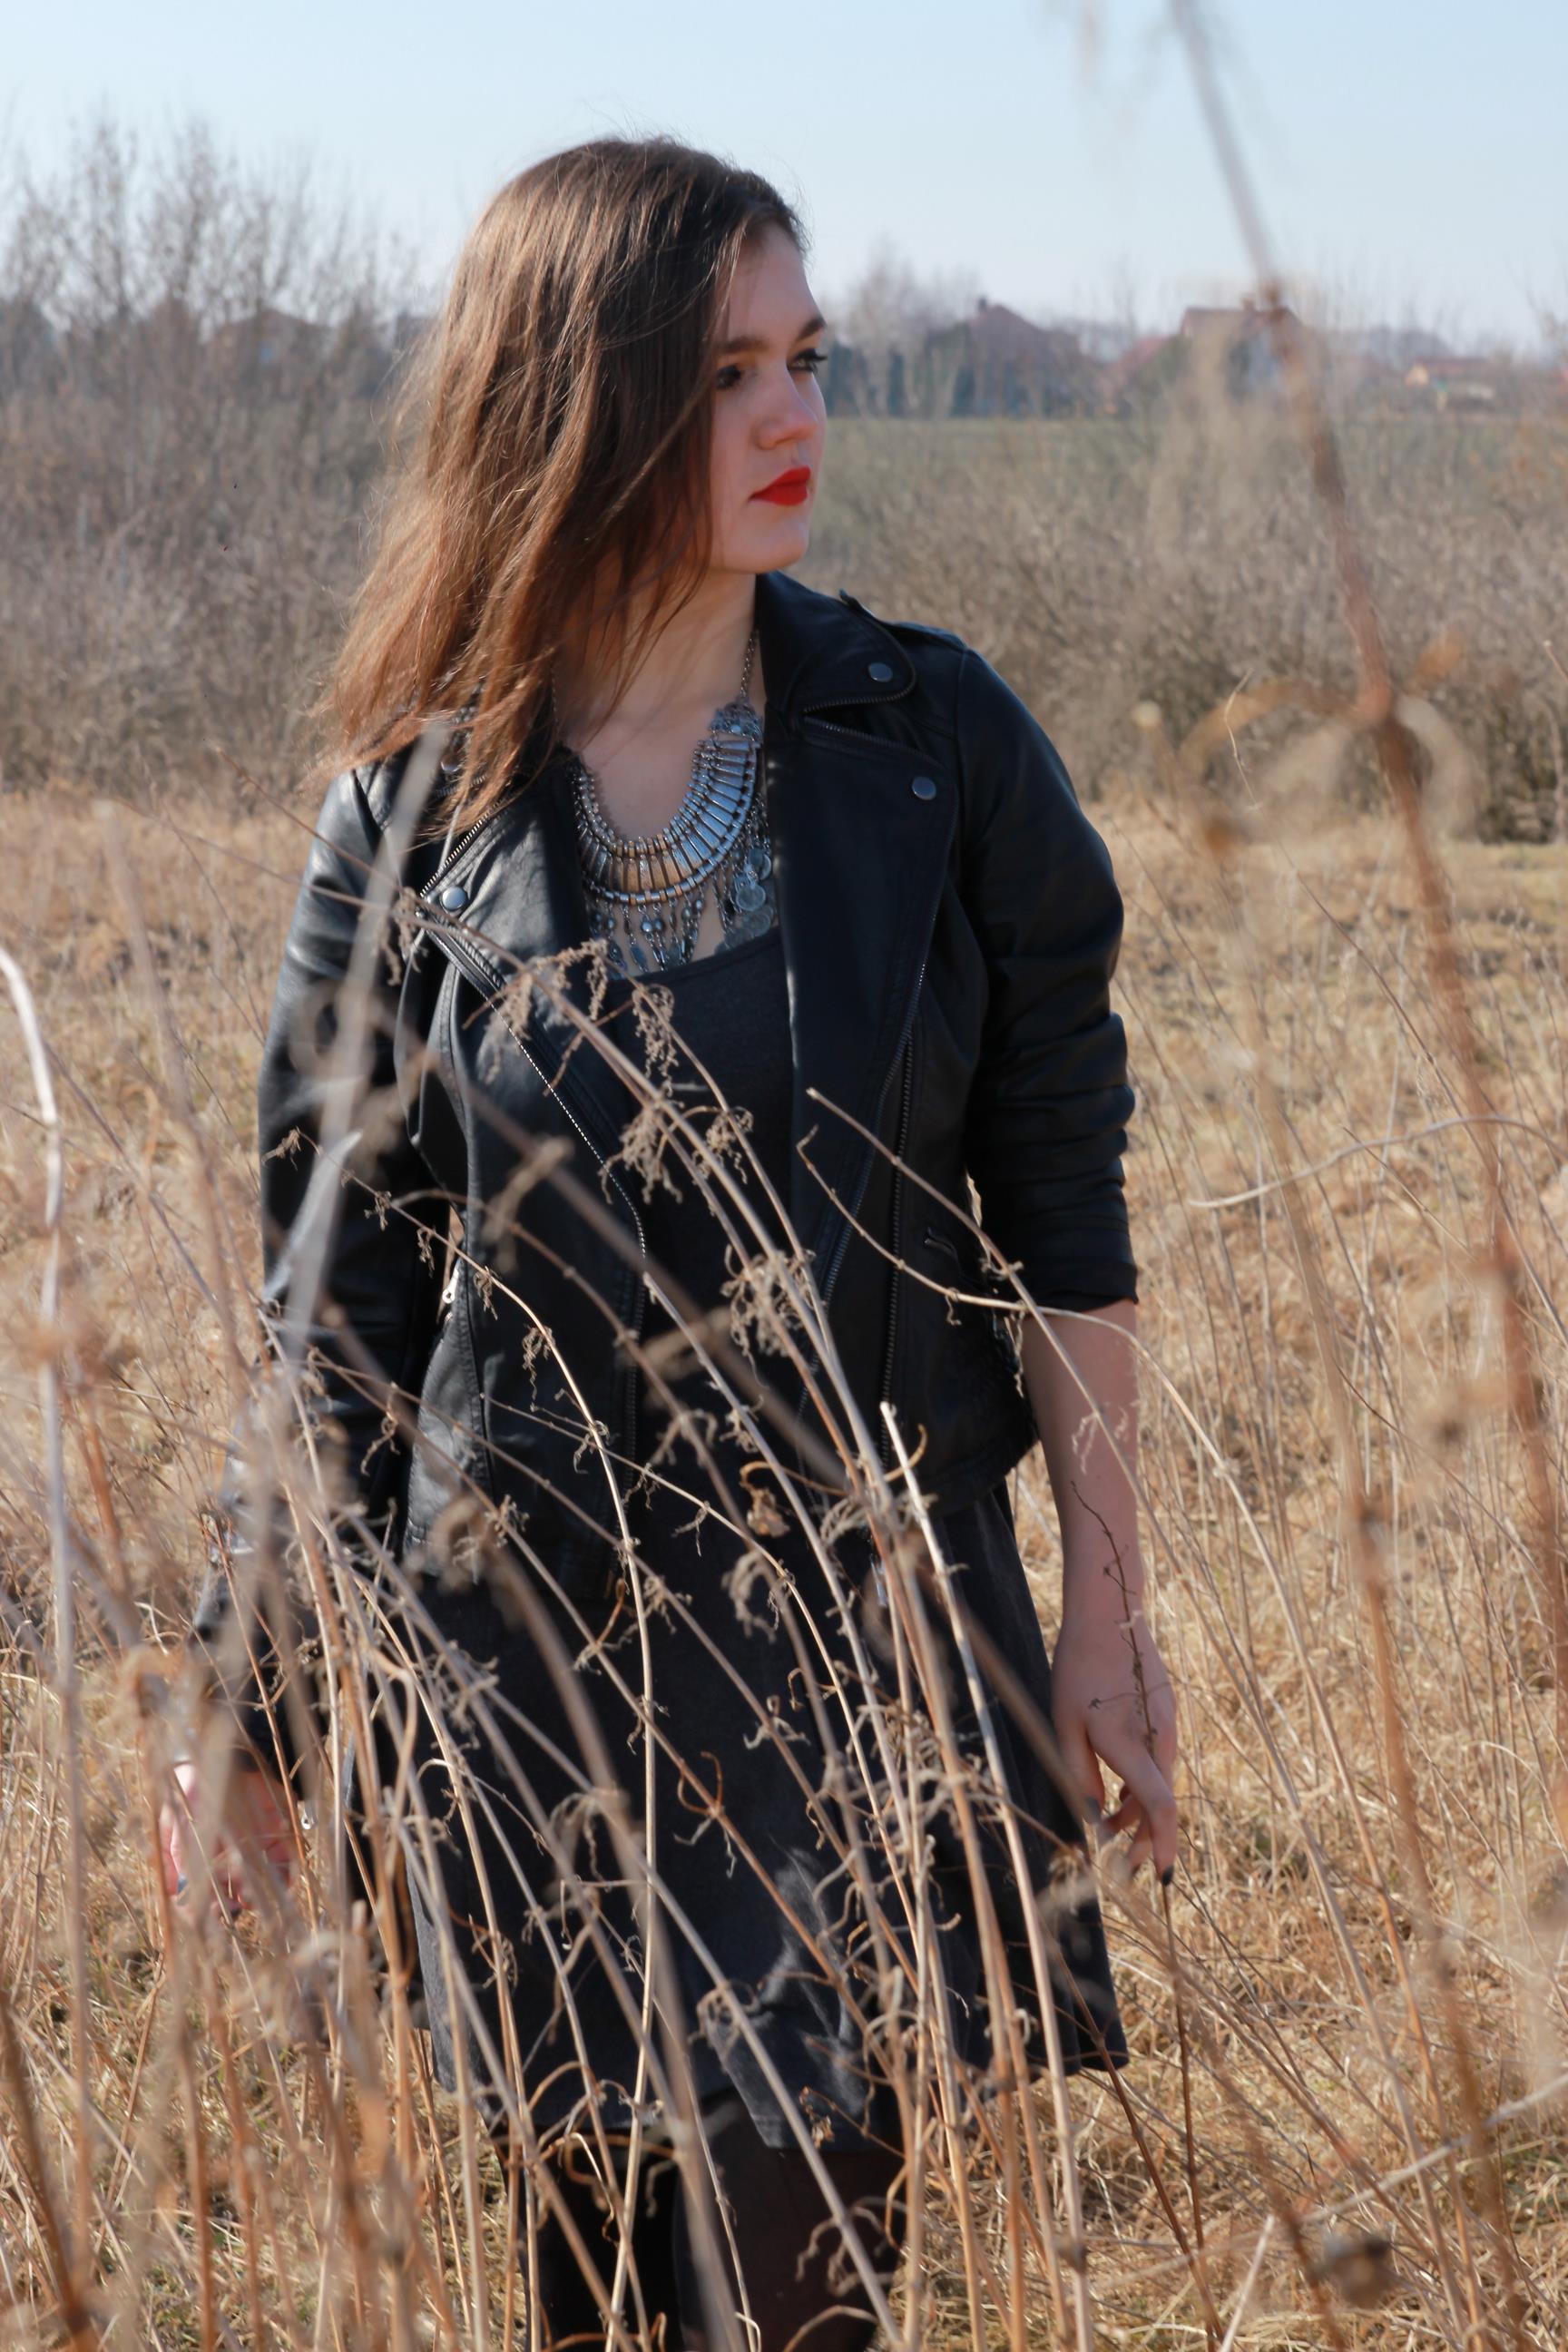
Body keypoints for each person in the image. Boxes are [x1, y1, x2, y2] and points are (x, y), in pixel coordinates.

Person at [161, 137, 1178, 2352]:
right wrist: (257, 1704)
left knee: (803, 2291)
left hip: (865, 1660)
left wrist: (1107, 1619)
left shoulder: (937, 748)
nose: (794, 411)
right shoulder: (408, 817)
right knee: (587, 2293)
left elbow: (1064, 1225)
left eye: (806, 356)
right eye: (727, 372)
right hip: (532, 1689)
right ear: (580, 394)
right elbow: (335, 1318)